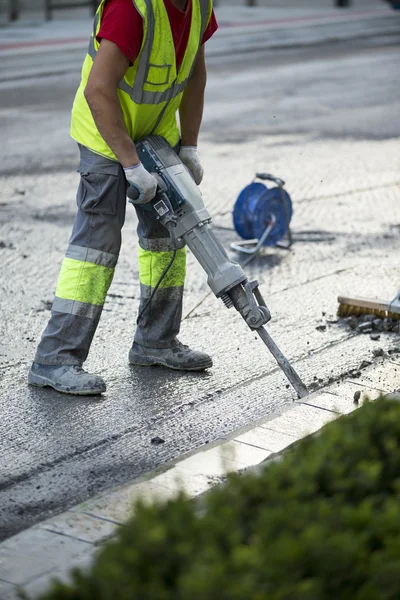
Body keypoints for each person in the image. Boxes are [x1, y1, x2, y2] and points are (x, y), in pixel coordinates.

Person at [28, 0, 218, 395]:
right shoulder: (132, 8)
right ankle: (55, 358)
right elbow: (98, 90)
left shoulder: (199, 5)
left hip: (155, 132)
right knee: (96, 245)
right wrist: (131, 165)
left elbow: (196, 75)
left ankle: (157, 341)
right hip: (104, 133)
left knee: (168, 235)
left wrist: (190, 146)